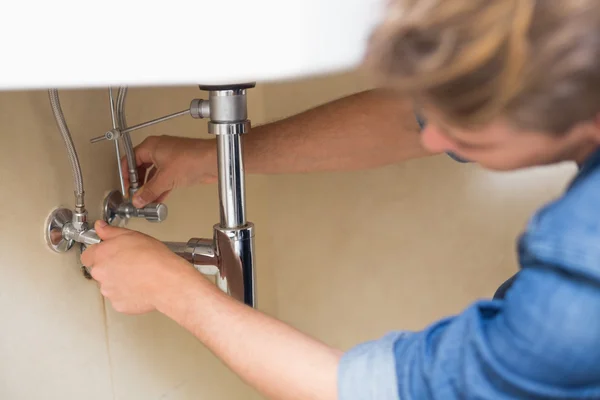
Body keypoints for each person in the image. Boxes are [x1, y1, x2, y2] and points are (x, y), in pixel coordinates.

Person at [81, 1, 600, 399]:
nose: (434, 140)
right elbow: (408, 122)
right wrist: (218, 157)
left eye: (467, 129)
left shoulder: (584, 264)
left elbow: (371, 389)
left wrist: (174, 290)